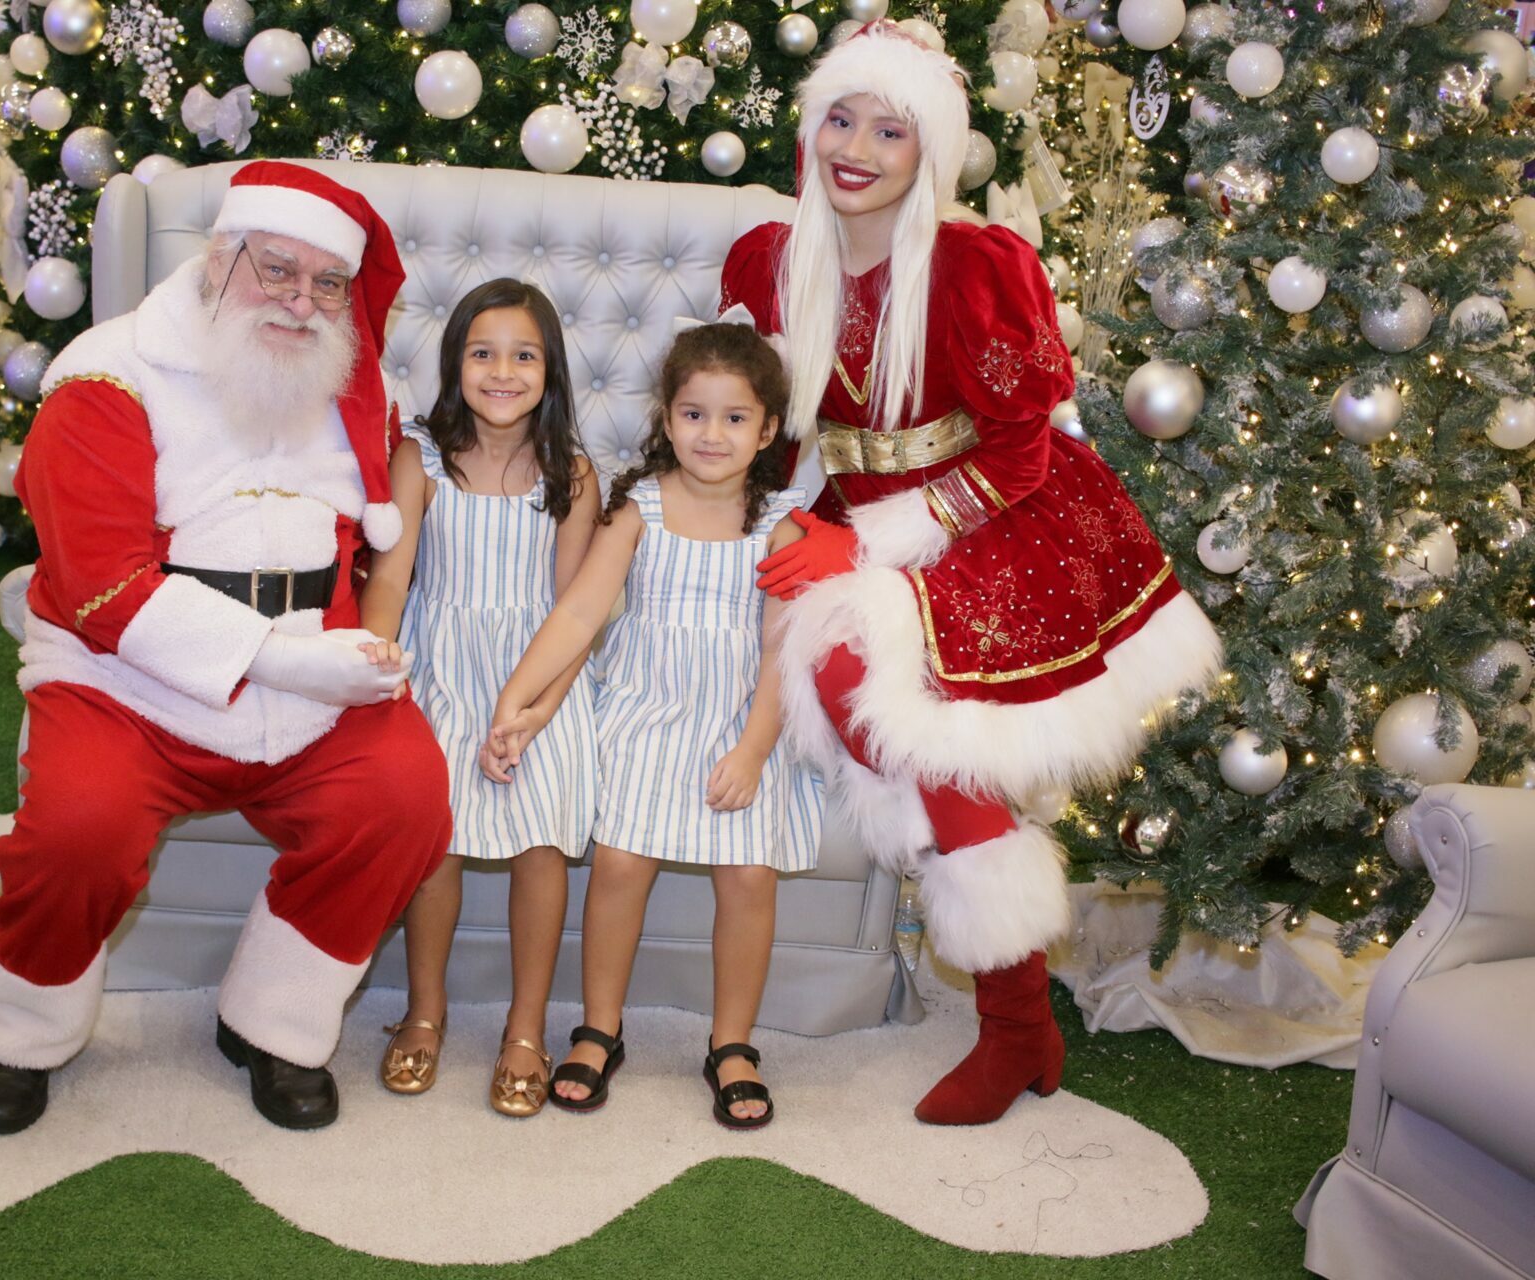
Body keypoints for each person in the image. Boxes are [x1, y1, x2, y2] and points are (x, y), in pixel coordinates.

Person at [718, 22, 1224, 1126]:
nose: (856, 149)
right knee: (860, 689)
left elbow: (1020, 454)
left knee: (918, 715)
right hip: (860, 506)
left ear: (929, 153)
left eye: (889, 131)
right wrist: (773, 515)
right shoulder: (769, 260)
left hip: (993, 513)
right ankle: (1018, 1009)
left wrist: (865, 545)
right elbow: (779, 420)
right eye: (841, 119)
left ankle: (1013, 1026)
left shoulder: (976, 266)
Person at [0, 161, 451, 1136]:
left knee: (404, 798)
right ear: (219, 258)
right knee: (79, 827)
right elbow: (101, 586)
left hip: (310, 671)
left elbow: (370, 540)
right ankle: (24, 1035)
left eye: (327, 283)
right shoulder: (105, 376)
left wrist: (352, 648)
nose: (302, 301)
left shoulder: (349, 385)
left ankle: (274, 1023)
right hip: (123, 680)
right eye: (278, 270)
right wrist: (285, 659)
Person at [487, 322, 824, 1130]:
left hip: (740, 722)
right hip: (645, 714)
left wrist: (753, 750)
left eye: (735, 418)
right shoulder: (640, 509)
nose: (712, 434)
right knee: (618, 864)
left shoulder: (780, 526)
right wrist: (517, 699)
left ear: (767, 431)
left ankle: (732, 1043)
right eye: (694, 414)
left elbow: (782, 655)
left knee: (749, 878)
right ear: (667, 419)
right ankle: (600, 1027)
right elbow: (579, 612)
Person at [360, 279, 600, 1119]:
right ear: (455, 362)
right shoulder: (420, 457)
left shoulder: (573, 473)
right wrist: (377, 654)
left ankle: (526, 1027)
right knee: (436, 840)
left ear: (550, 369)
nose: (503, 372)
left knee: (542, 843)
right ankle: (425, 1009)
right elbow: (391, 577)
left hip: (537, 676)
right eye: (483, 353)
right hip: (439, 667)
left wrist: (535, 712)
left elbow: (576, 614)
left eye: (524, 355)